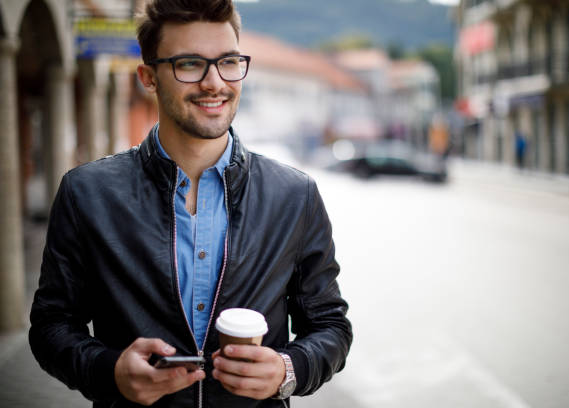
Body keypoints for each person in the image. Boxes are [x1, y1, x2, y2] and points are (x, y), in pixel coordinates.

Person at [28, 0, 352, 407]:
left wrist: (288, 370)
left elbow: (330, 326)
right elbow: (51, 325)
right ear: (149, 77)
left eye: (228, 62)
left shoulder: (295, 195)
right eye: (189, 64)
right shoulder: (87, 193)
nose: (214, 82)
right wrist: (108, 370)